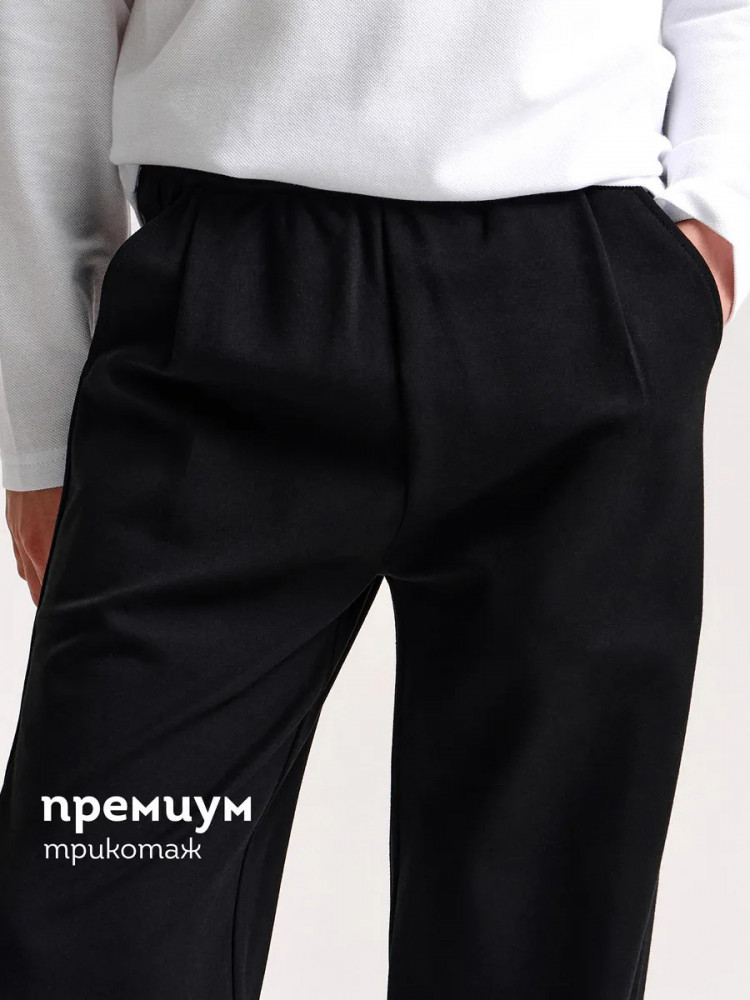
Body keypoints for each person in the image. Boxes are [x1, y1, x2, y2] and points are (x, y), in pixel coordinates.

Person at [0, 1, 746, 997]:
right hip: (221, 314)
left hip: (574, 303)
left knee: (537, 953)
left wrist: (712, 222)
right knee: (91, 915)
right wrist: (42, 416)